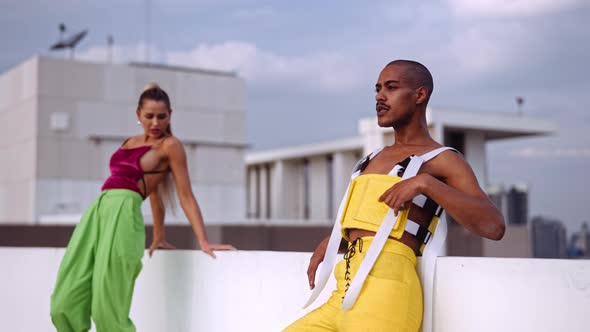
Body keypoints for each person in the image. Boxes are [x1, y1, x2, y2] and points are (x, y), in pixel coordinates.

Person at [284, 60, 505, 332]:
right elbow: (376, 225)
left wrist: (426, 184)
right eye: (377, 89)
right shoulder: (369, 160)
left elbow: (493, 226)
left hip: (387, 292)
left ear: (420, 95)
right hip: (344, 290)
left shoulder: (441, 159)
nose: (380, 96)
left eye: (391, 87)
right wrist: (336, 241)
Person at [50, 83, 235, 332]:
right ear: (138, 115)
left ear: (170, 115)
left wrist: (203, 240)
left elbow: (185, 195)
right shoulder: (130, 141)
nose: (156, 122)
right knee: (65, 300)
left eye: (162, 116)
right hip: (97, 211)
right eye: (149, 116)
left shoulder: (170, 146)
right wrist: (159, 236)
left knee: (108, 306)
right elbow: (157, 194)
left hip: (125, 213)